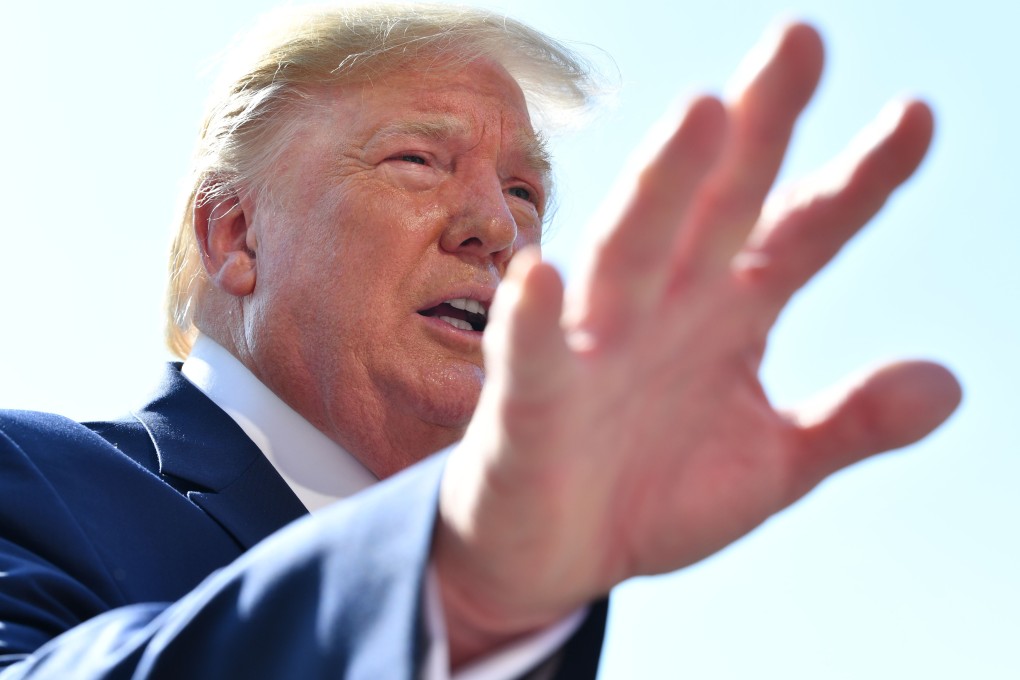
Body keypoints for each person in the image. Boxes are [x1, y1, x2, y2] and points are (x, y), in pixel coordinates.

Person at [0, 3, 961, 678]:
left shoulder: (543, 605)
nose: (494, 228)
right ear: (235, 237)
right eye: (418, 160)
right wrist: (451, 585)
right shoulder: (25, 475)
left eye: (524, 192)